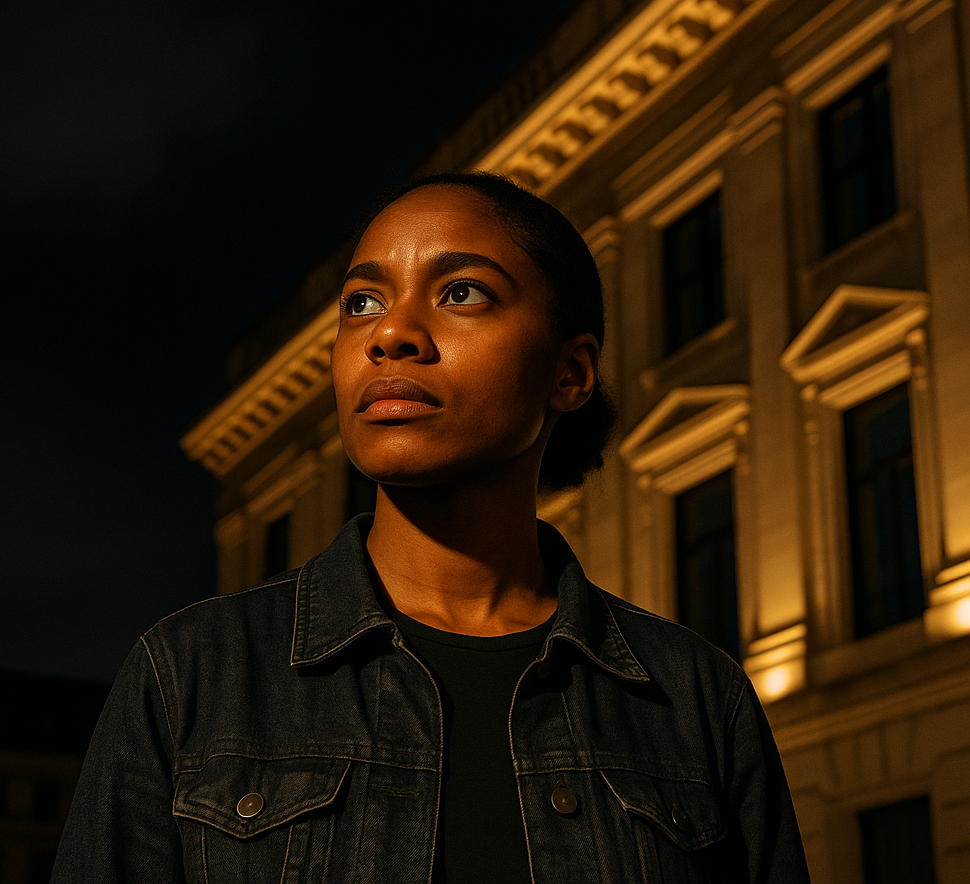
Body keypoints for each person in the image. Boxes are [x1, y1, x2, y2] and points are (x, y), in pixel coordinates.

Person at [51, 172, 810, 883]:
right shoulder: (189, 676)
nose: (390, 335)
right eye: (362, 304)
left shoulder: (698, 699)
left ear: (569, 373)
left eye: (462, 292)